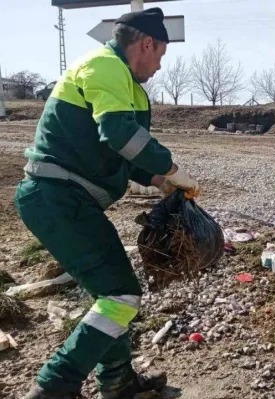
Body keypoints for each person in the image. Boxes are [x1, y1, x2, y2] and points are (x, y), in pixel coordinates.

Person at [16, 8, 198, 399]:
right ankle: (53, 388)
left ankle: (117, 382)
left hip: (62, 199)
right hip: (57, 199)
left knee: (112, 296)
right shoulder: (105, 66)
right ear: (146, 44)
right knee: (121, 296)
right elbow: (120, 134)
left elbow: (114, 152)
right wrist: (171, 166)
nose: (160, 66)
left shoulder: (118, 79)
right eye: (161, 55)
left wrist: (158, 180)